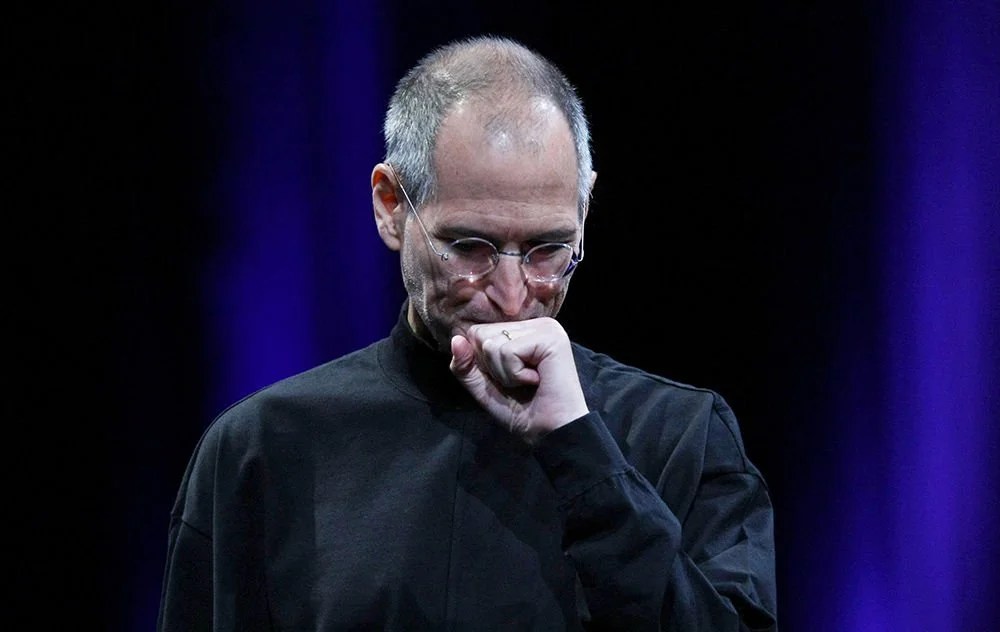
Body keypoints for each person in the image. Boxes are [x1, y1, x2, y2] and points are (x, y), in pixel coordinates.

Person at [157, 34, 778, 631]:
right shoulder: (263, 449)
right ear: (391, 206)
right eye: (470, 246)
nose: (512, 295)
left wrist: (581, 450)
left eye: (547, 249)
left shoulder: (682, 438)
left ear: (584, 212)